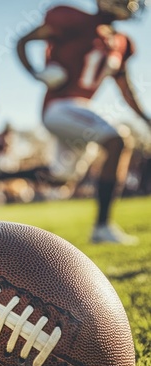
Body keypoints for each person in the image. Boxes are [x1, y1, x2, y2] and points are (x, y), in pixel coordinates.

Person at [17, 0, 150, 244]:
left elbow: (126, 89)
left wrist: (145, 118)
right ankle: (102, 227)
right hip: (59, 107)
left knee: (63, 178)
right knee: (117, 141)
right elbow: (23, 41)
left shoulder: (121, 43)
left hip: (82, 110)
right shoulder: (75, 20)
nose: (132, 5)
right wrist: (35, 73)